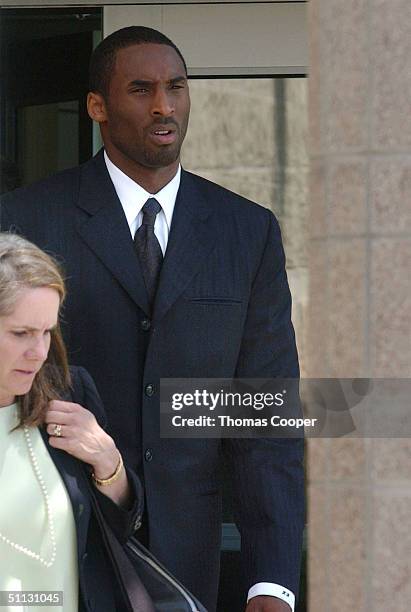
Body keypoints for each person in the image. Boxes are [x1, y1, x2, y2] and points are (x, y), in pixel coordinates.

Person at [0, 26, 305, 612]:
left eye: (176, 87)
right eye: (141, 89)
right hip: (62, 549)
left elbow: (265, 413)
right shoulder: (26, 218)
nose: (164, 105)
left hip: (192, 558)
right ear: (97, 107)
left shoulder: (247, 231)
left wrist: (271, 580)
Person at [0, 232, 143, 611]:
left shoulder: (68, 394)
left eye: (47, 332)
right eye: (21, 333)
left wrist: (108, 463)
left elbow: (116, 531)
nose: (38, 352)